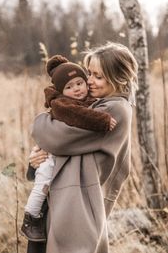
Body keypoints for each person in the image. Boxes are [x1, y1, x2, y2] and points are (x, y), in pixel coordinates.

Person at [27, 42, 138, 253]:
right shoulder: (92, 107)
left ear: (119, 78)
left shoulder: (113, 111)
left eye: (98, 76)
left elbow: (53, 136)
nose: (89, 81)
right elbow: (60, 146)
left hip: (80, 205)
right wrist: (38, 159)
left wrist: (40, 123)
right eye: (89, 73)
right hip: (67, 197)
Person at [21, 55, 117, 242]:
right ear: (61, 90)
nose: (77, 89)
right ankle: (30, 217)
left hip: (74, 192)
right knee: (43, 181)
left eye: (80, 82)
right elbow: (74, 117)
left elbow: (49, 130)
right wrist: (102, 120)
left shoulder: (112, 106)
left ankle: (35, 216)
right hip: (50, 158)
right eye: (69, 87)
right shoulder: (63, 104)